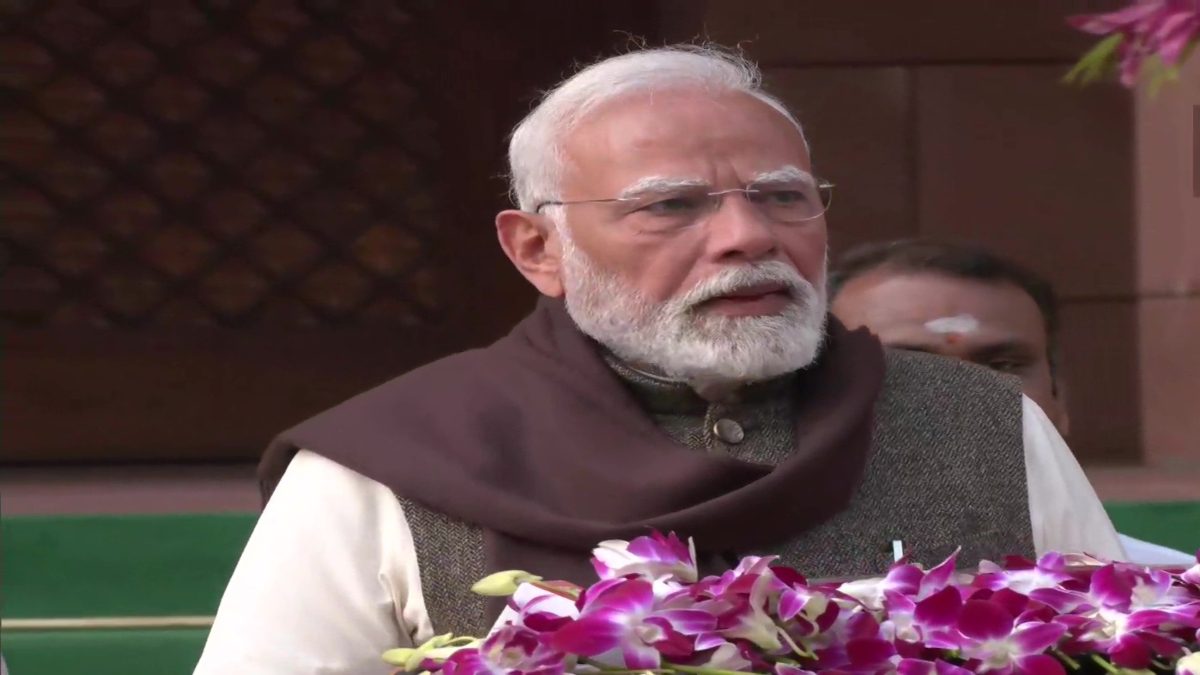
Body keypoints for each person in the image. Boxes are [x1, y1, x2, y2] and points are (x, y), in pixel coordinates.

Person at [195, 46, 1125, 673]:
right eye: (671, 205)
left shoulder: (980, 425)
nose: (748, 236)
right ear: (537, 249)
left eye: (782, 196)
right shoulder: (387, 466)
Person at [829, 239, 1193, 566]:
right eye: (909, 366)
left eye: (1001, 366)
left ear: (1058, 399)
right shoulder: (798, 607)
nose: (966, 396)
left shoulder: (1167, 599)